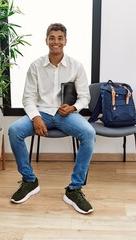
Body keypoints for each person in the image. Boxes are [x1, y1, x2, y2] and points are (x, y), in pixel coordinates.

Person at [8, 23, 96, 214]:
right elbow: (28, 98)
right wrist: (35, 117)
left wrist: (74, 107)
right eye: (52, 38)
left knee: (89, 133)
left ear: (65, 41)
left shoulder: (76, 66)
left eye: (60, 38)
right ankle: (29, 181)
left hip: (67, 115)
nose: (56, 42)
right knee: (14, 131)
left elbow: (85, 97)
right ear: (46, 40)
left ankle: (74, 189)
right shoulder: (35, 66)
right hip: (42, 113)